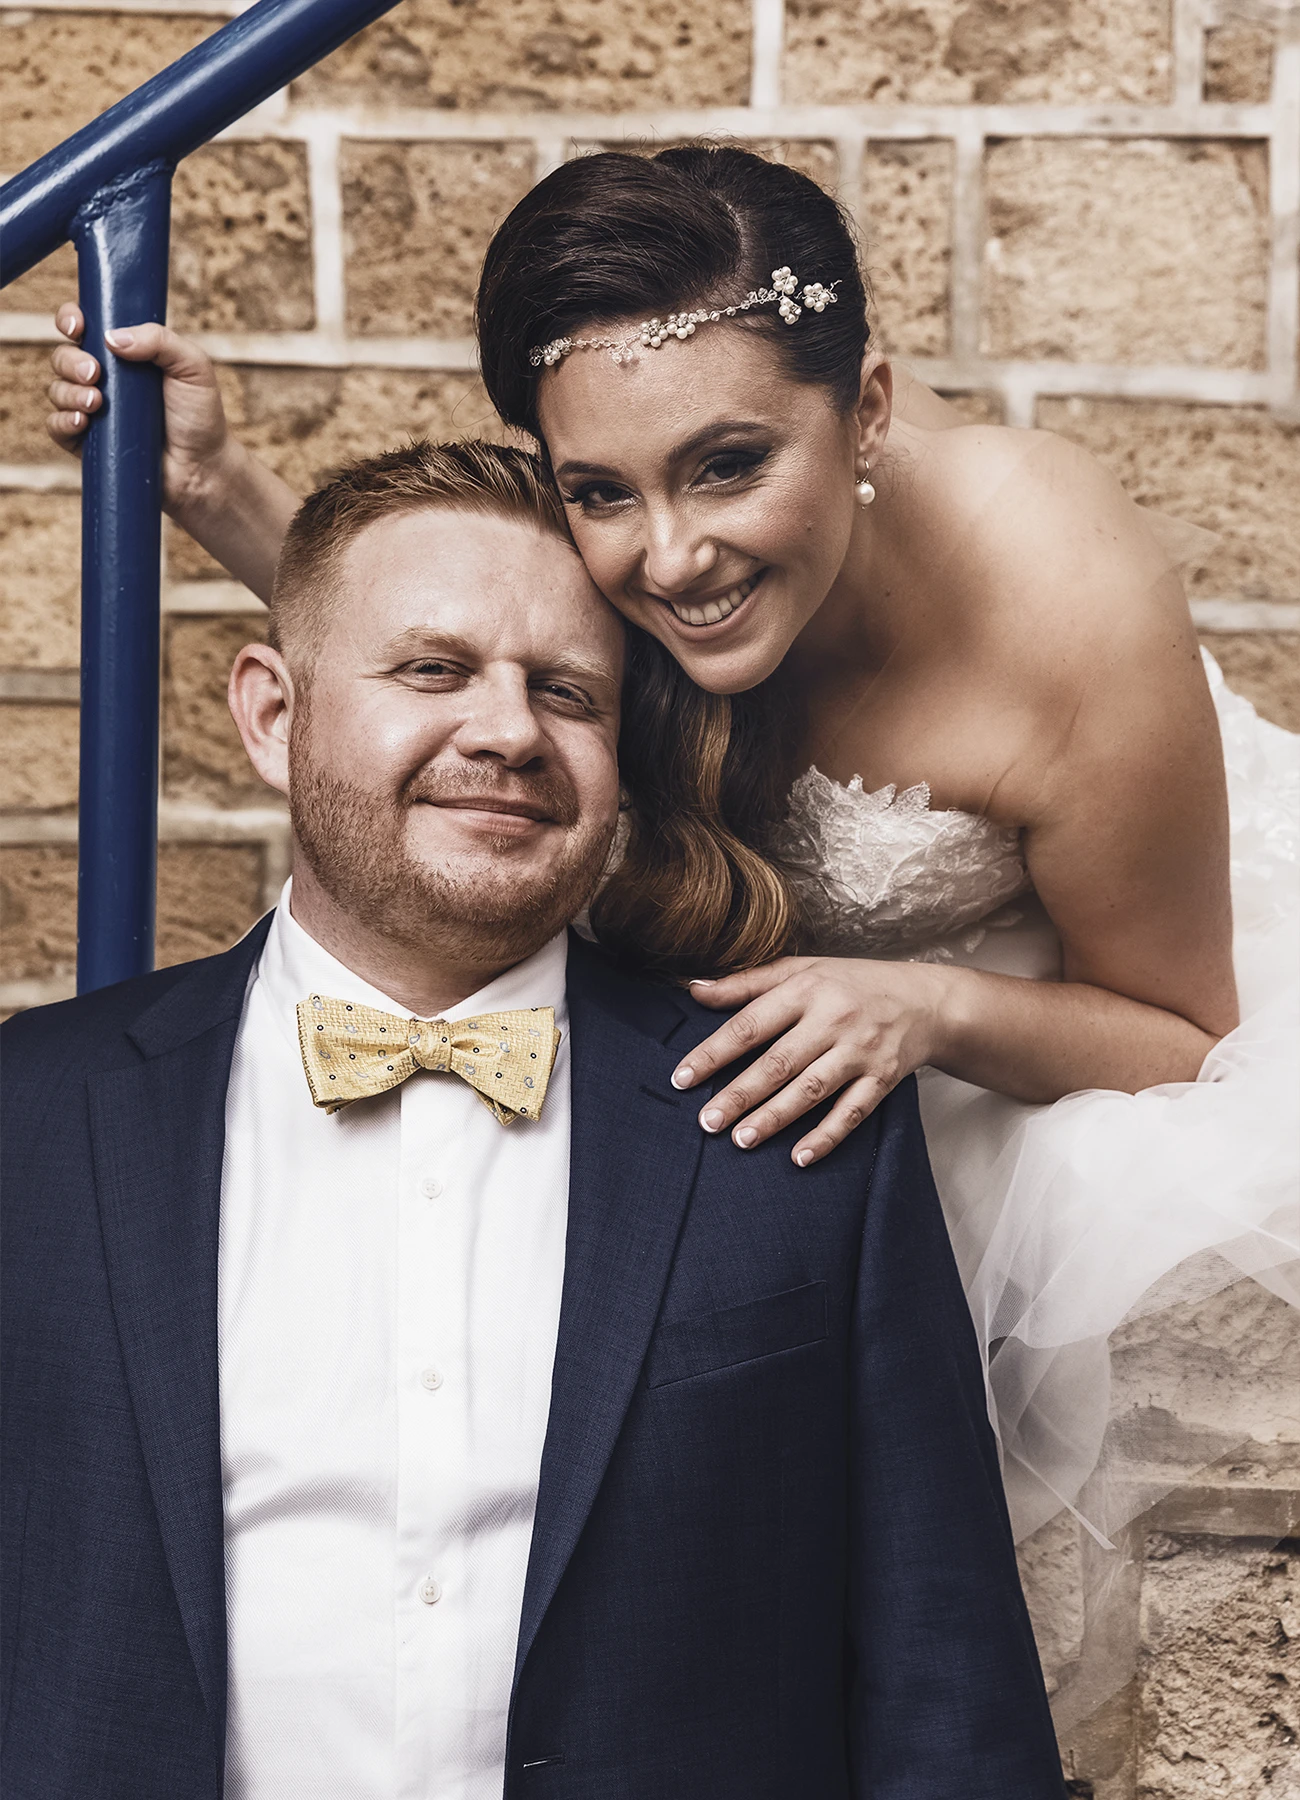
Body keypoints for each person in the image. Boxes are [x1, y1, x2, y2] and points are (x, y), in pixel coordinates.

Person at [42, 143, 1298, 1564]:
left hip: (1066, 1018)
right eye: (600, 494)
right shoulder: (646, 515)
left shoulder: (1065, 613)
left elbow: (1190, 1042)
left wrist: (933, 1006)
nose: (671, 558)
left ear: (865, 413)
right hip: (796, 1014)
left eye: (731, 468)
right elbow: (470, 696)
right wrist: (212, 488)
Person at [0, 439, 1066, 1798]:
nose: (508, 731)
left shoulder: (798, 1123)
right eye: (434, 670)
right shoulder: (32, 1118)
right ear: (275, 716)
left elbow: (943, 1673)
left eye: (565, 691)